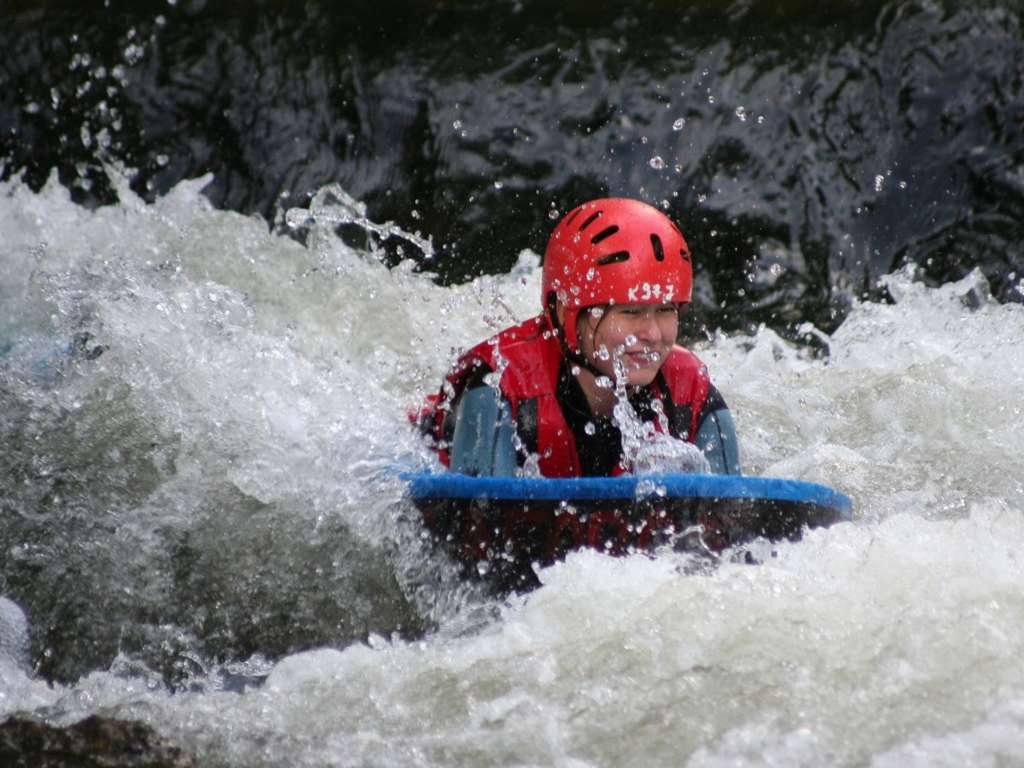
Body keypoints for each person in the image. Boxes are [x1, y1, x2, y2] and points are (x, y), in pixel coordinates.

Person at [417, 197, 740, 478]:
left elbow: (728, 534)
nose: (654, 334)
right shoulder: (500, 390)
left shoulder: (692, 393)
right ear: (563, 313)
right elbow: (478, 535)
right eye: (630, 313)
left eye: (666, 310)